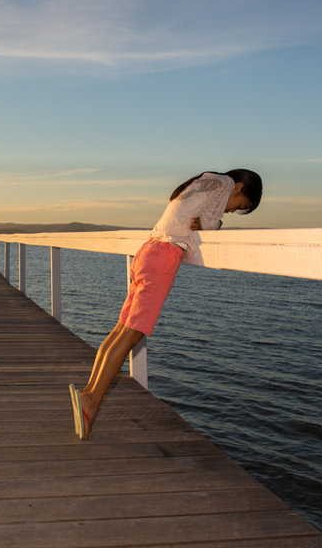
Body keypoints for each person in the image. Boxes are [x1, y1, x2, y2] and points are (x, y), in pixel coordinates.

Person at [69, 169, 262, 440]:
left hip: (148, 251)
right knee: (131, 334)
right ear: (240, 187)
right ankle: (91, 400)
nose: (230, 210)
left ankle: (89, 392)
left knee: (122, 329)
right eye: (238, 206)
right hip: (163, 257)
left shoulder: (204, 181)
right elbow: (208, 223)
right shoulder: (225, 184)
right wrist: (215, 225)